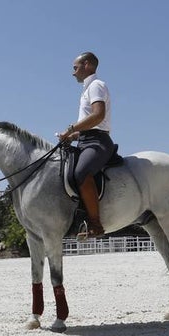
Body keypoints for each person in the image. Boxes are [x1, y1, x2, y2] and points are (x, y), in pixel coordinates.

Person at [56, 51, 115, 239]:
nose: (73, 72)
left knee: (81, 172)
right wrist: (73, 135)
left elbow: (98, 115)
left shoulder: (97, 85)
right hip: (85, 140)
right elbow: (90, 123)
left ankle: (95, 225)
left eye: (75, 67)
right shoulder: (86, 90)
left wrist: (71, 128)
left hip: (98, 141)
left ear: (87, 65)